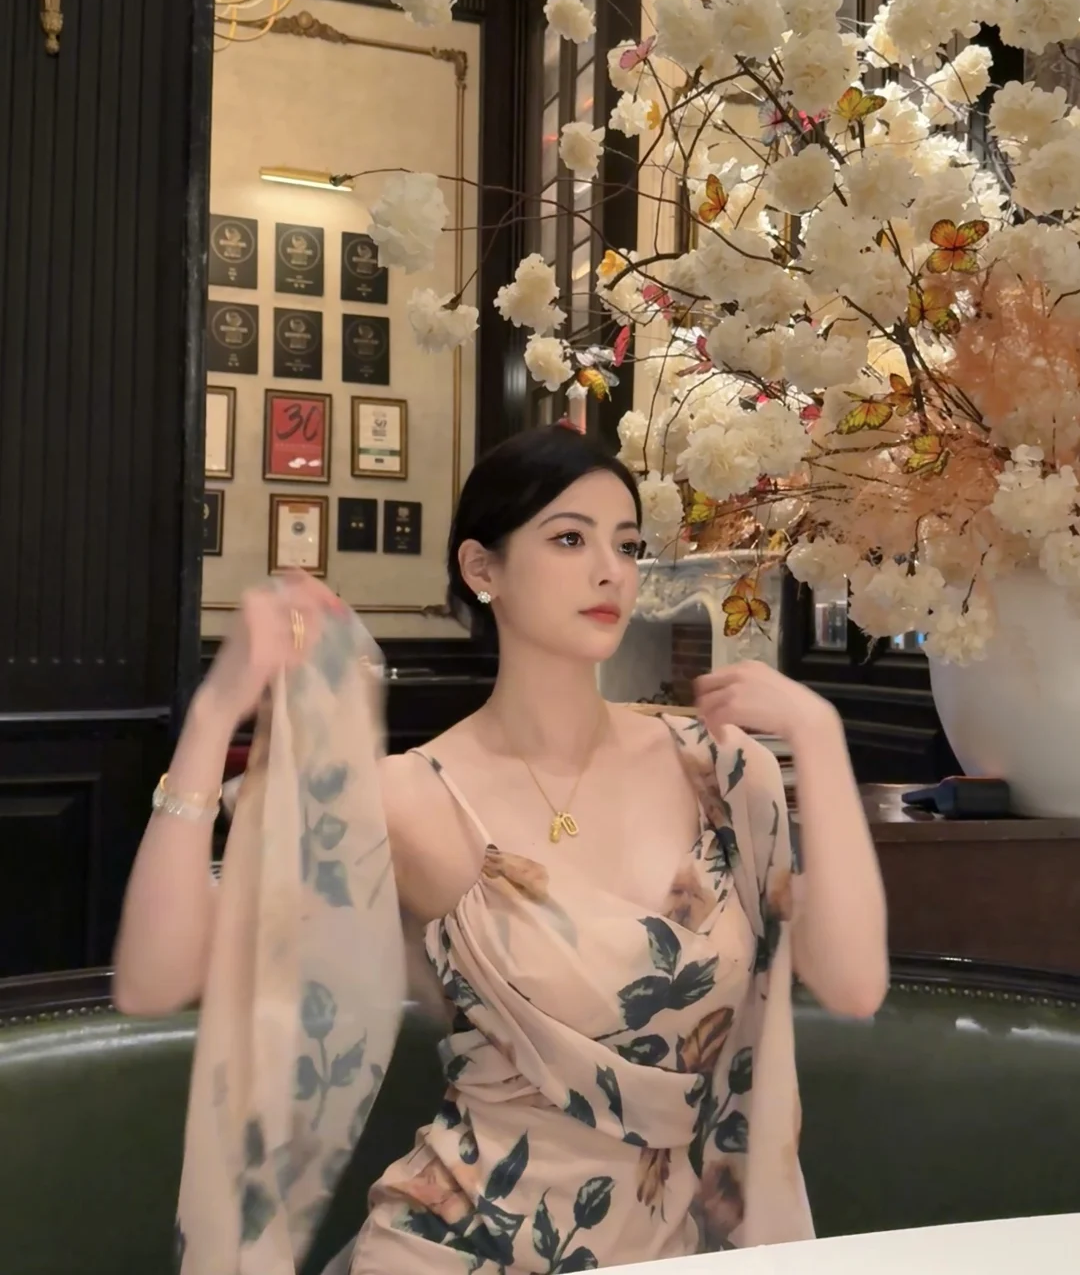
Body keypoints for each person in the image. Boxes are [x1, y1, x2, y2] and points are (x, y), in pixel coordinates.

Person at [113, 424, 888, 1272]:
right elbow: (156, 979)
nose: (610, 570)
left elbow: (853, 985)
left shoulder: (719, 768)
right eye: (570, 539)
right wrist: (212, 717)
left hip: (669, 1248)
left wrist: (821, 735)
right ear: (483, 569)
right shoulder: (413, 797)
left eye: (627, 545)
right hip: (456, 1247)